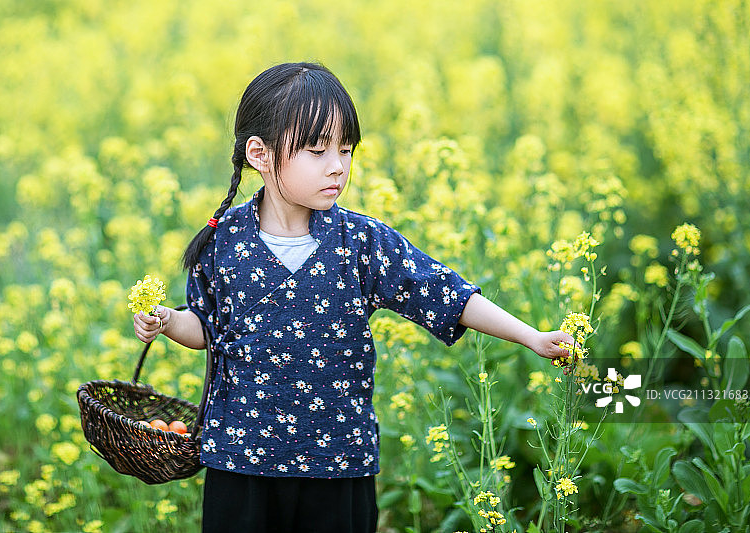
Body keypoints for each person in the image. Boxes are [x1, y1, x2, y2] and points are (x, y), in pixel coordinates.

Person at [133, 62, 575, 533]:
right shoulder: (221, 242)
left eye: (346, 149)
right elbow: (205, 328)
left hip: (337, 460)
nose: (337, 166)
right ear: (259, 154)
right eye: (317, 150)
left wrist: (531, 337)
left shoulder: (360, 241)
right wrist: (166, 321)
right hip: (241, 462)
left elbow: (446, 293)